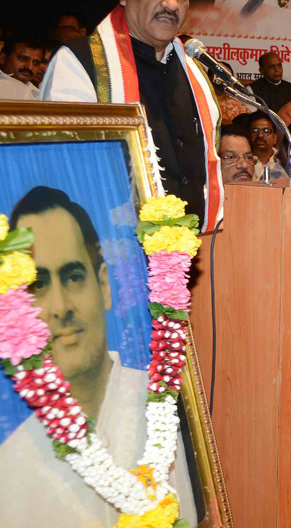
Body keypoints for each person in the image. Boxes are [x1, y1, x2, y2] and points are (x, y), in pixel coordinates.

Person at [3, 187, 197, 526]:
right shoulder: (11, 470)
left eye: (74, 277)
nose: (61, 307)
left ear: (104, 286)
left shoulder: (171, 412)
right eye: (38, 285)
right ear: (14, 309)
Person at [40, 0, 223, 230]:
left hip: (186, 253)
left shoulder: (194, 72)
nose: (171, 4)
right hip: (108, 247)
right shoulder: (80, 64)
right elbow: (61, 167)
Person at [0, 35, 44, 99]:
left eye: (35, 63)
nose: (30, 67)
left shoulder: (39, 96)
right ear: (3, 58)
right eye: (23, 59)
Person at [245, 111, 280, 178]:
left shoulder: (284, 161)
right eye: (255, 131)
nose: (260, 135)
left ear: (275, 138)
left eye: (266, 131)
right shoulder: (241, 162)